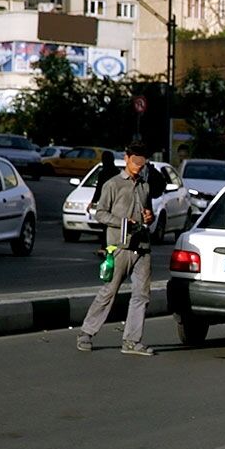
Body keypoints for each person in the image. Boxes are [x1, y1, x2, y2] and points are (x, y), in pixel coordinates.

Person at [76, 142, 156, 356]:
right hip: (119, 247)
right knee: (109, 291)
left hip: (142, 247)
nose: (139, 166)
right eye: (135, 161)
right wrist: (122, 222)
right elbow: (100, 213)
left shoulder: (144, 186)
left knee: (141, 294)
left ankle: (131, 340)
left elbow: (148, 213)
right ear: (127, 158)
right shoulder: (113, 185)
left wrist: (149, 216)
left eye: (142, 162)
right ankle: (86, 333)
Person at [87, 150, 119, 218]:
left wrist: (93, 202)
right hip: (117, 201)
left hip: (105, 201)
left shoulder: (103, 173)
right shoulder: (118, 172)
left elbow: (99, 189)